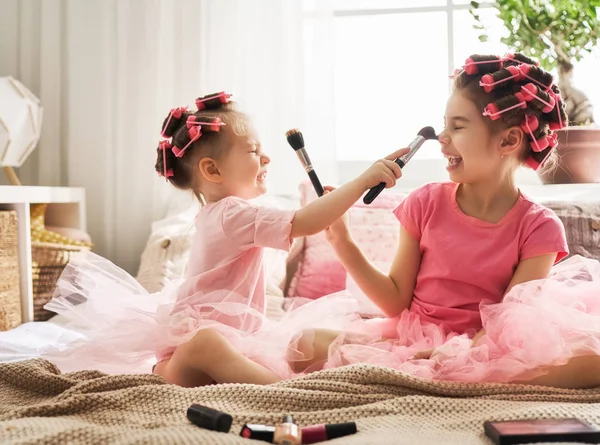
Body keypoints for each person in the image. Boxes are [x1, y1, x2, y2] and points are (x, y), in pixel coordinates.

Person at [39, 91, 408, 387]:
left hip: (243, 338)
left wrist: (327, 206)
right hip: (195, 351)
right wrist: (360, 182)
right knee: (207, 344)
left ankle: (399, 350)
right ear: (212, 170)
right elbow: (305, 222)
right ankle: (286, 393)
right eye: (252, 150)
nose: (265, 157)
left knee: (309, 338)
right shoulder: (232, 214)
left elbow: (301, 224)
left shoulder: (228, 213)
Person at [294, 53, 600, 389]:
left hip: (488, 345)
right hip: (412, 340)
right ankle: (436, 375)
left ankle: (448, 376)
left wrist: (463, 353)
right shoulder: (424, 202)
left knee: (593, 362)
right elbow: (394, 300)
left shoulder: (539, 227)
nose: (442, 137)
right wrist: (343, 242)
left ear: (509, 140)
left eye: (457, 126)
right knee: (302, 346)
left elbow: (510, 321)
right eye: (444, 124)